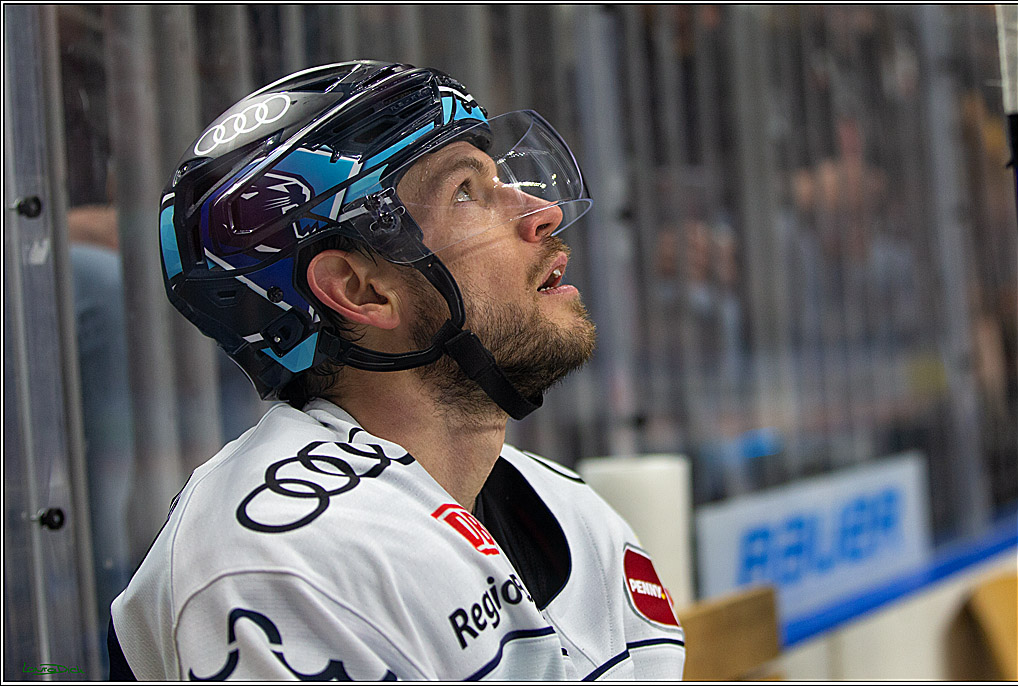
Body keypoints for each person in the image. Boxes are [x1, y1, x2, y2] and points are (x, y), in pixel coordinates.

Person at [108, 61, 686, 680]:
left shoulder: (567, 505)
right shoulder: (283, 563)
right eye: (467, 191)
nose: (539, 212)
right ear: (361, 291)